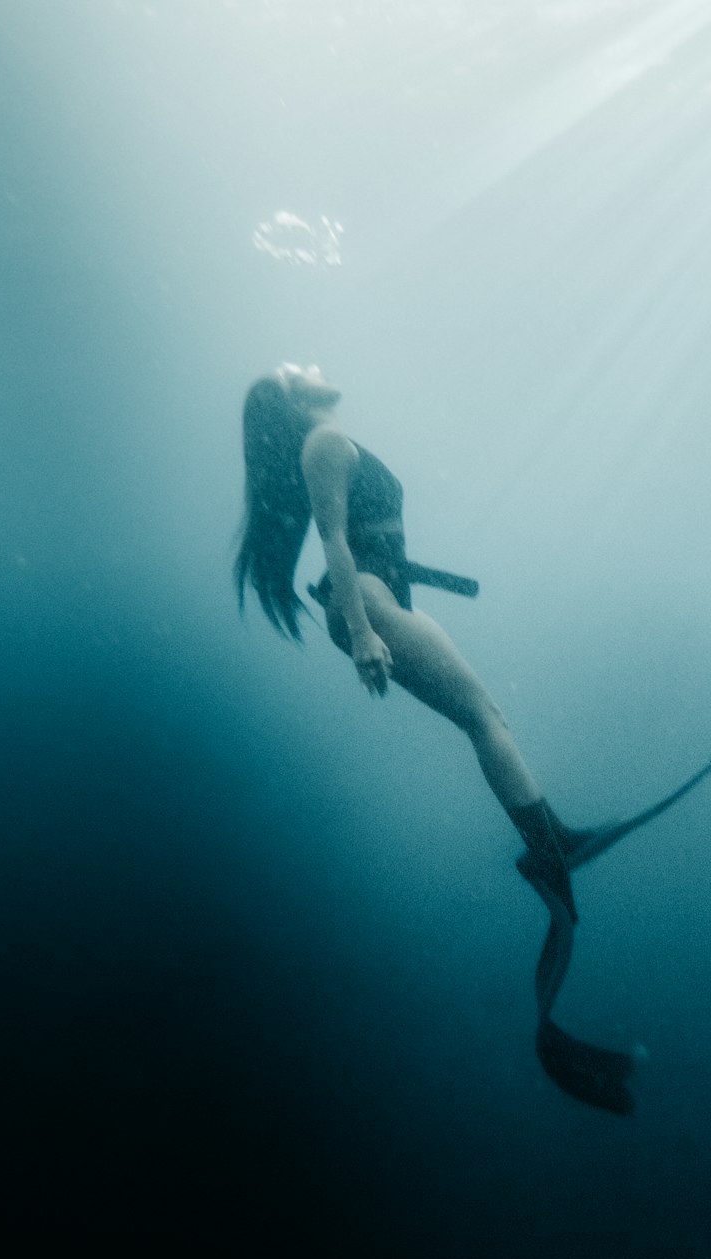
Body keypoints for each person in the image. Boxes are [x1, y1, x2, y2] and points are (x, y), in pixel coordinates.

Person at [235, 363, 635, 1114]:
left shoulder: (326, 442)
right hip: (372, 607)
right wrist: (360, 634)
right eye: (297, 369)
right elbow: (334, 543)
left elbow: (354, 535)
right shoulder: (323, 440)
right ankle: (549, 848)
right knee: (485, 718)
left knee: (486, 719)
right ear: (291, 400)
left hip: (378, 598)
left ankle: (548, 842)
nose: (314, 367)